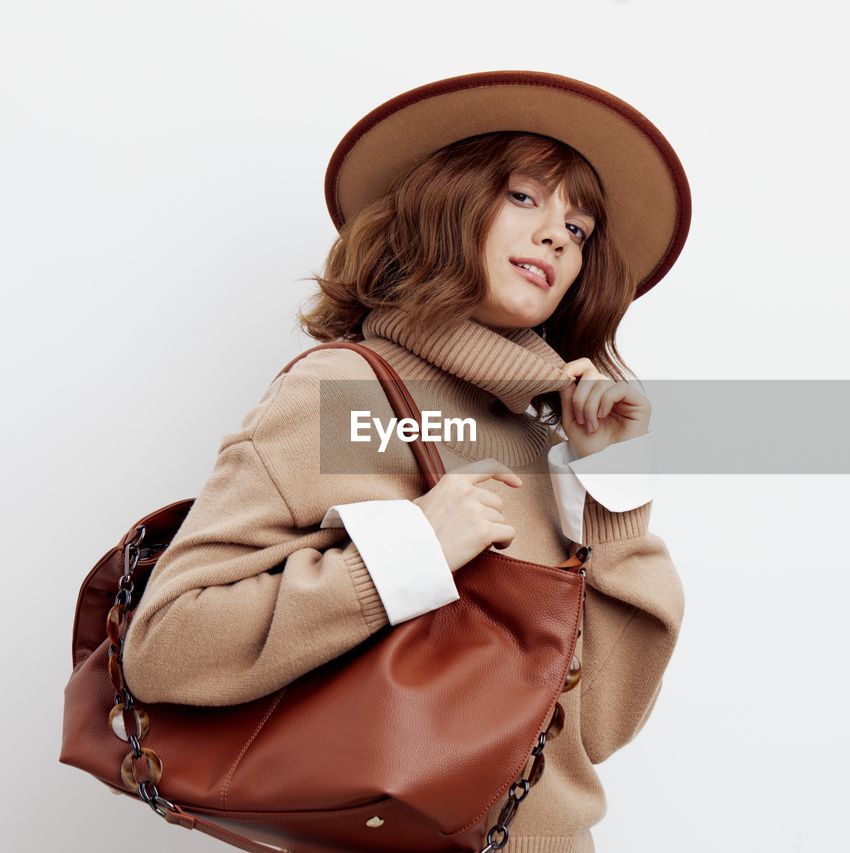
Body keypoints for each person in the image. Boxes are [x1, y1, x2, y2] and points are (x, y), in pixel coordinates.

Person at [122, 70, 692, 852]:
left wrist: (617, 500)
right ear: (448, 203)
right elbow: (163, 647)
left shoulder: (535, 436)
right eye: (525, 197)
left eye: (581, 227)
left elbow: (595, 727)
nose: (560, 235)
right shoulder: (341, 392)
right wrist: (403, 556)